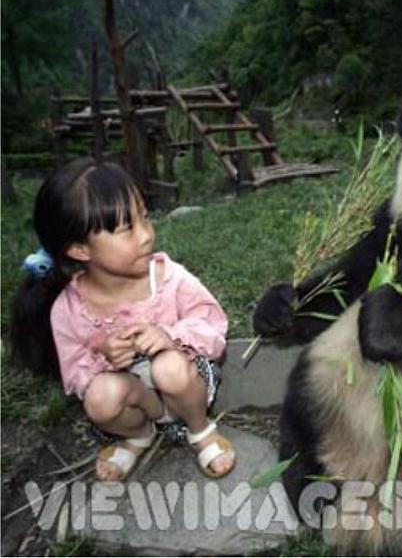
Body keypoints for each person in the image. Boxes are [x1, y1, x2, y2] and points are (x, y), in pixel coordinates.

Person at [11, 158, 236, 481]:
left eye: (144, 217)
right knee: (100, 398)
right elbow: (75, 375)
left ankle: (200, 430)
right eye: (127, 227)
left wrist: (170, 336)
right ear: (80, 249)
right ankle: (139, 435)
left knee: (168, 367)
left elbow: (213, 324)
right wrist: (103, 353)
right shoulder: (69, 308)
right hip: (137, 400)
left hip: (186, 387)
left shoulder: (168, 278)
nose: (146, 235)